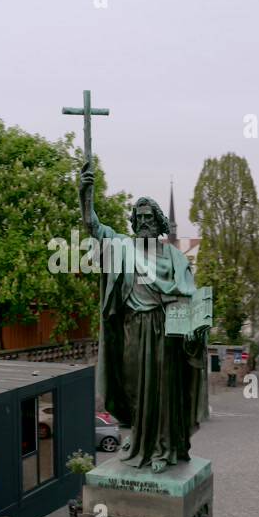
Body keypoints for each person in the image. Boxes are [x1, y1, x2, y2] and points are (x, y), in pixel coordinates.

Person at [80, 163, 208, 473]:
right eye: (140, 218)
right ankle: (139, 442)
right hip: (132, 332)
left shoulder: (175, 257)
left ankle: (164, 448)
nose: (145, 222)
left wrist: (197, 326)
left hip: (165, 332)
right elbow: (94, 227)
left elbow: (192, 297)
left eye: (150, 217)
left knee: (163, 393)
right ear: (134, 222)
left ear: (160, 222)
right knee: (134, 389)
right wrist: (86, 194)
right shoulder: (123, 247)